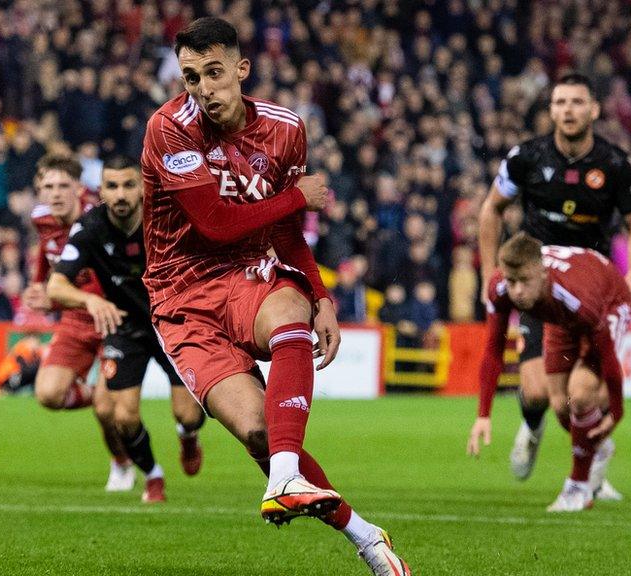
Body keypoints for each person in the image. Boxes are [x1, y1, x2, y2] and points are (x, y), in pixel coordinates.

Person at [140, 18, 410, 575]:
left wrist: (322, 296)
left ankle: (285, 476)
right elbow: (214, 223)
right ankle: (364, 535)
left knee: (291, 308)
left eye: (214, 73)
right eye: (191, 77)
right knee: (260, 433)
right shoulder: (169, 128)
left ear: (242, 69)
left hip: (247, 275)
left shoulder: (286, 130)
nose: (203, 89)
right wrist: (295, 199)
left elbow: (285, 236)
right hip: (181, 296)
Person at [478, 73, 631, 494]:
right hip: (540, 288)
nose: (567, 110)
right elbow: (490, 211)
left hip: (592, 288)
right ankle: (532, 429)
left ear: (594, 109)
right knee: (539, 393)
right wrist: (488, 273)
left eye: (576, 102)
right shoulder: (527, 158)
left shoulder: (614, 164)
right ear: (550, 110)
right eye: (559, 102)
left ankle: (590, 464)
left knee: (586, 392)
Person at [47, 155, 206, 503]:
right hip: (125, 326)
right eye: (112, 186)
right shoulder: (89, 229)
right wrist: (90, 301)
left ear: (143, 189)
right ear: (101, 191)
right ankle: (153, 474)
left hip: (174, 323)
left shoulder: (167, 219)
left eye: (128, 185)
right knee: (122, 415)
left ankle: (188, 434)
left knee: (189, 413)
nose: (120, 194)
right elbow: (55, 287)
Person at [467, 233, 630, 512]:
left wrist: (616, 410)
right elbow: (493, 351)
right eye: (511, 281)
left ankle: (577, 489)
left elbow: (609, 359)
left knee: (579, 394)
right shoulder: (499, 286)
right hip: (559, 315)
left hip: (608, 301)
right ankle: (597, 448)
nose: (516, 291)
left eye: (524, 282)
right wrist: (483, 414)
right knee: (559, 404)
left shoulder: (580, 300)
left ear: (542, 274)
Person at [22, 153, 134, 492]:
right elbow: (47, 251)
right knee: (48, 394)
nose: (55, 194)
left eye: (63, 186)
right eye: (47, 187)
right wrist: (40, 284)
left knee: (106, 411)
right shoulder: (41, 218)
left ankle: (121, 462)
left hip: (113, 315)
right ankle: (94, 395)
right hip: (74, 317)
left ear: (79, 189)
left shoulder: (101, 219)